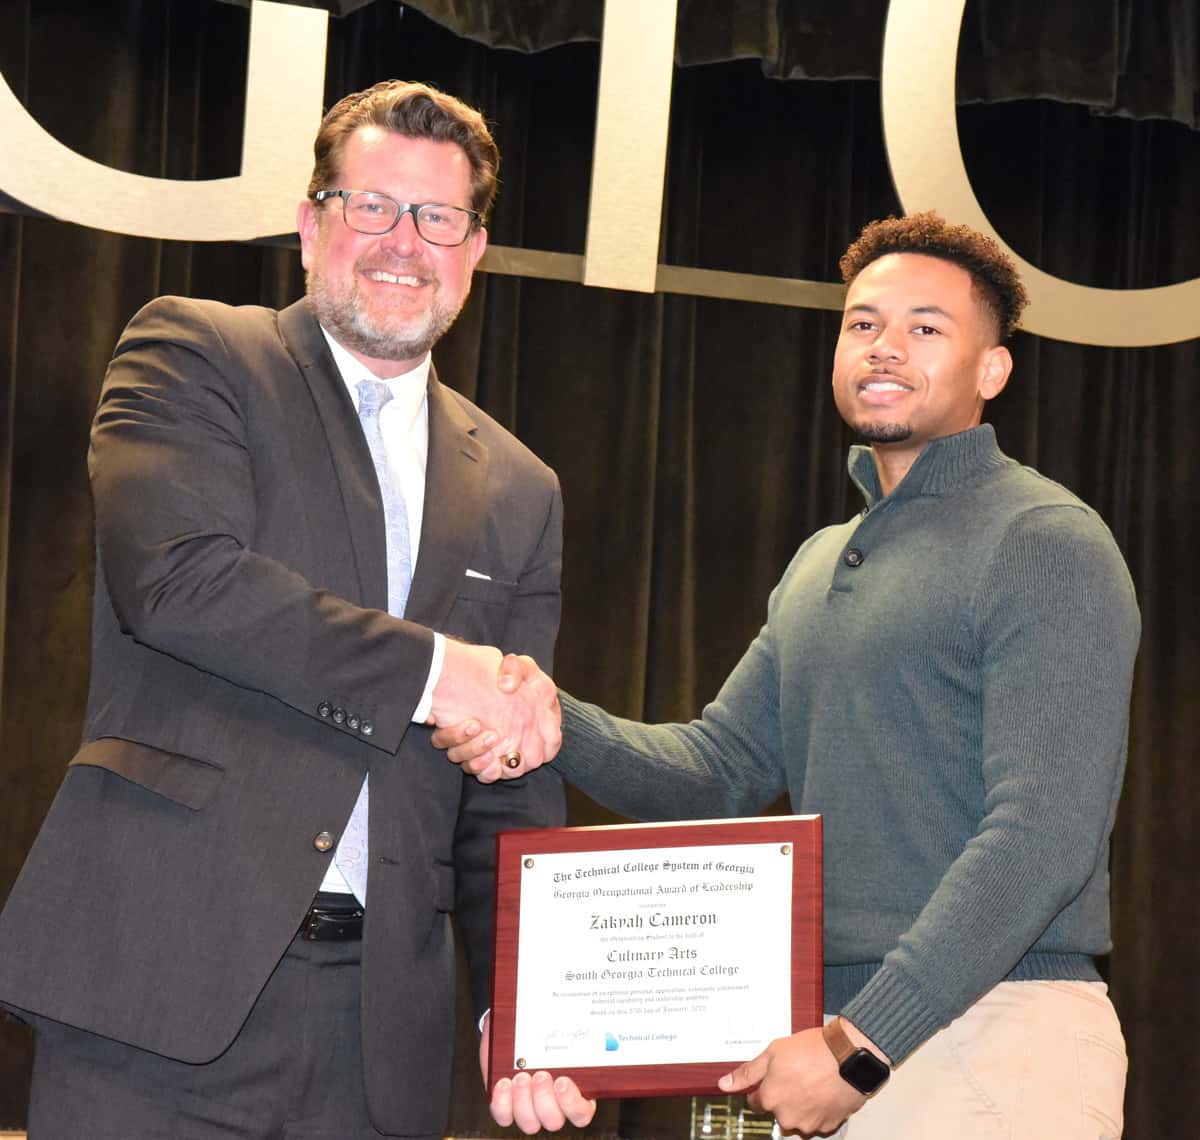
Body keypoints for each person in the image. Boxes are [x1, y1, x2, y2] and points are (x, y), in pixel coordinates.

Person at [438, 213, 1140, 1138]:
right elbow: (717, 768)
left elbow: (1040, 839)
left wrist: (861, 1043)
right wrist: (544, 715)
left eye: (927, 328)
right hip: (826, 1047)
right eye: (862, 323)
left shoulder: (1044, 541)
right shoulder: (822, 559)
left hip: (989, 1035)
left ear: (992, 370)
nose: (885, 346)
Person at [0, 80, 564, 1139]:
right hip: (159, 985)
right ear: (312, 224)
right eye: (372, 206)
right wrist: (448, 670)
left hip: (375, 1033)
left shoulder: (523, 488)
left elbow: (507, 786)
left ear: (475, 249)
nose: (404, 242)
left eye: (437, 217)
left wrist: (523, 1005)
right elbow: (180, 580)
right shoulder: (197, 355)